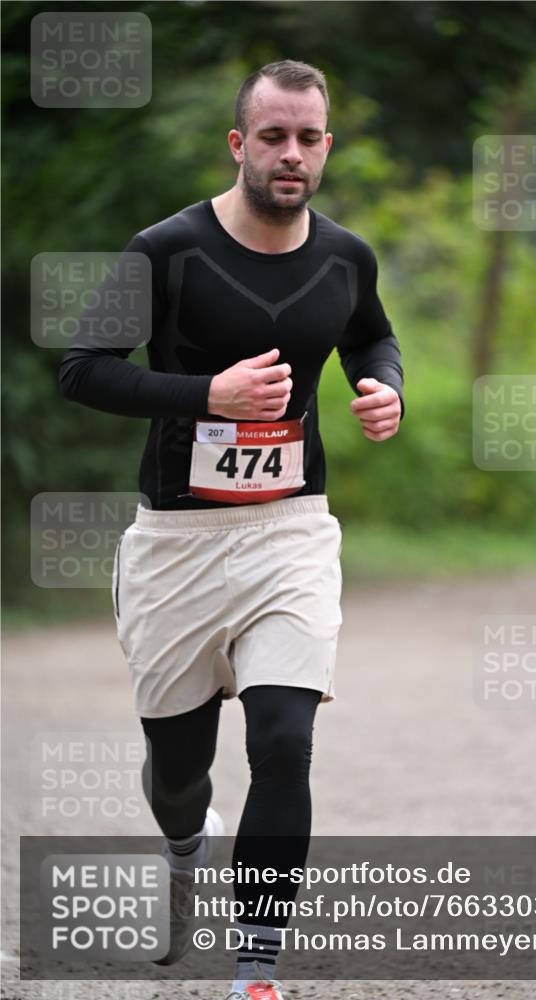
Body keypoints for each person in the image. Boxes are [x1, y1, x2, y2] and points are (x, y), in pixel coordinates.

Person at [59, 59, 404, 1000]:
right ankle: (184, 840)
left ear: (326, 146)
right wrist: (203, 394)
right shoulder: (164, 251)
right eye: (273, 136)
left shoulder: (345, 256)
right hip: (177, 544)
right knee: (180, 766)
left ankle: (256, 962)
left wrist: (385, 389)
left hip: (289, 532)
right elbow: (84, 368)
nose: (291, 154)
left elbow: (370, 335)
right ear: (238, 143)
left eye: (308, 137)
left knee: (283, 739)